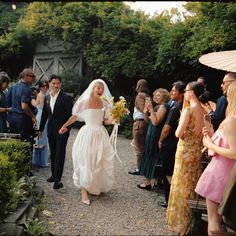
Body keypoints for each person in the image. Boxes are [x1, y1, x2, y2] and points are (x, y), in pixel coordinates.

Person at [59, 79, 115, 205]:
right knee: (85, 160)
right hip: (87, 134)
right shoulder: (83, 102)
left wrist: (115, 119)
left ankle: (94, 185)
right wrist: (65, 126)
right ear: (92, 88)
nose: (100, 90)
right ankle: (84, 191)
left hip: (100, 133)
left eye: (102, 88)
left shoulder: (105, 104)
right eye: (98, 88)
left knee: (98, 160)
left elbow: (106, 121)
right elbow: (74, 116)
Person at [195, 81, 236, 235]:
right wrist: (211, 135)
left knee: (214, 226)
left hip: (221, 175)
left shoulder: (232, 121)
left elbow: (234, 152)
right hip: (227, 174)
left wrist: (209, 145)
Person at [166, 81, 206, 235]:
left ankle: (179, 223)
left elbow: (178, 133)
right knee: (191, 185)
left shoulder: (188, 110)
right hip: (196, 152)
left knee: (180, 185)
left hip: (184, 151)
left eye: (187, 90)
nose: (185, 93)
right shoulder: (204, 111)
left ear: (192, 92)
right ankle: (190, 222)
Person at [39, 74, 73, 190]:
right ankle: (53, 175)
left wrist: (67, 128)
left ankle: (58, 180)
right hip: (51, 130)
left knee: (60, 154)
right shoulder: (47, 97)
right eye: (53, 83)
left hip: (62, 131)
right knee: (53, 153)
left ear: (61, 84)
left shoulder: (66, 98)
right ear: (49, 84)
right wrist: (40, 129)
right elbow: (45, 115)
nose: (56, 85)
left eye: (58, 83)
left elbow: (72, 116)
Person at [157, 81, 185, 208]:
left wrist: (161, 140)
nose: (171, 92)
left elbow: (166, 128)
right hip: (179, 144)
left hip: (169, 144)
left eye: (174, 90)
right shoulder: (185, 108)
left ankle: (170, 200)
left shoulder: (175, 109)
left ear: (181, 93)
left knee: (167, 173)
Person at [137, 88, 170, 190]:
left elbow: (156, 122)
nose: (155, 97)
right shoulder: (157, 107)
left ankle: (147, 182)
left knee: (152, 156)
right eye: (155, 95)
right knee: (151, 155)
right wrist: (146, 112)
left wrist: (151, 109)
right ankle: (157, 181)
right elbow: (148, 121)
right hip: (151, 134)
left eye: (158, 95)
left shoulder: (164, 106)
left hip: (156, 135)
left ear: (164, 96)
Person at [7, 68, 37, 142]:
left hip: (13, 119)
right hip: (23, 120)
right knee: (25, 143)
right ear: (26, 76)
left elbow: (8, 102)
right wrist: (33, 116)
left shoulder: (14, 86)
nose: (34, 78)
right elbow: (24, 107)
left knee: (14, 142)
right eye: (32, 76)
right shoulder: (26, 89)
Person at [128, 79, 150, 175]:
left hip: (139, 123)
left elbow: (143, 109)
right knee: (143, 146)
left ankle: (140, 169)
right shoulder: (148, 96)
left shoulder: (140, 96)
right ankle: (143, 167)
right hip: (145, 123)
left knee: (138, 147)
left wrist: (146, 119)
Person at [31, 80, 49, 168]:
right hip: (42, 117)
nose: (45, 87)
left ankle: (39, 160)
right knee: (42, 137)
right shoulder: (42, 95)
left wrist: (33, 101)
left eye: (46, 86)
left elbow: (36, 105)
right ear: (40, 87)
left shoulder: (41, 95)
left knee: (41, 137)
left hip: (41, 115)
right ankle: (42, 161)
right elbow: (43, 107)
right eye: (43, 86)